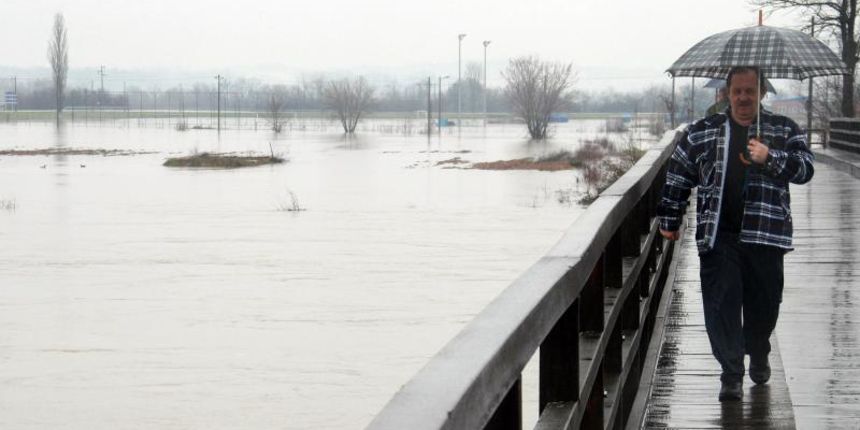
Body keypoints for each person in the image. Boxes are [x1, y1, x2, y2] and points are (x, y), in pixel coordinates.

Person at [656, 67, 814, 402]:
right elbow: (678, 173)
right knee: (721, 304)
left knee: (764, 305)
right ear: (726, 94)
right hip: (719, 235)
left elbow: (806, 168)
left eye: (750, 91)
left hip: (766, 236)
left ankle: (758, 351)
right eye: (737, 91)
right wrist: (669, 218)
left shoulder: (783, 129)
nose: (744, 97)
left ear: (762, 94)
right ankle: (731, 373)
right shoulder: (703, 131)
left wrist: (771, 157)